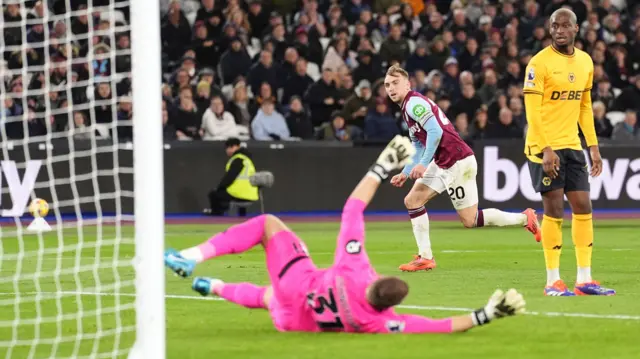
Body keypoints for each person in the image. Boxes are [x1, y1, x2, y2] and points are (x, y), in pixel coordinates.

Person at [165, 136, 526, 334]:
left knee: (267, 225)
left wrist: (382, 166)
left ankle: (193, 257)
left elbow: (352, 209)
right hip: (296, 322)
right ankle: (210, 287)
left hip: (299, 284)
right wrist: (486, 315)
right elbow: (440, 326)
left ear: (379, 278)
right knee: (267, 298)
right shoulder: (380, 323)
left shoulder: (355, 268)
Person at [383, 65, 540, 272]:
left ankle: (524, 218)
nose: (391, 88)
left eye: (395, 83)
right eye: (387, 85)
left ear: (407, 84)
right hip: (449, 161)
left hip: (455, 161)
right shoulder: (407, 109)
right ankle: (426, 257)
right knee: (435, 207)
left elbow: (435, 131)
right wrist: (405, 172)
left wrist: (422, 164)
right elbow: (419, 146)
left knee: (449, 212)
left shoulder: (414, 103)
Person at [522, 9, 614, 297]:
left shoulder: (586, 61)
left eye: (565, 25)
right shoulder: (539, 63)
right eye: (555, 26)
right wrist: (546, 148)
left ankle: (584, 280)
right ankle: (553, 281)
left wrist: (593, 147)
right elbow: (532, 112)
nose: (559, 30)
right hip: (543, 147)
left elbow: (585, 106)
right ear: (550, 29)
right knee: (554, 211)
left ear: (576, 28)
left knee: (584, 207)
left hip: (573, 146)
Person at [203, 138, 258, 216]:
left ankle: (216, 214)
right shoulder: (247, 159)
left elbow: (230, 177)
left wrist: (219, 187)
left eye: (227, 148)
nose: (226, 151)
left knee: (213, 194)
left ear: (234, 147)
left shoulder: (238, 159)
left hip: (239, 193)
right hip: (251, 194)